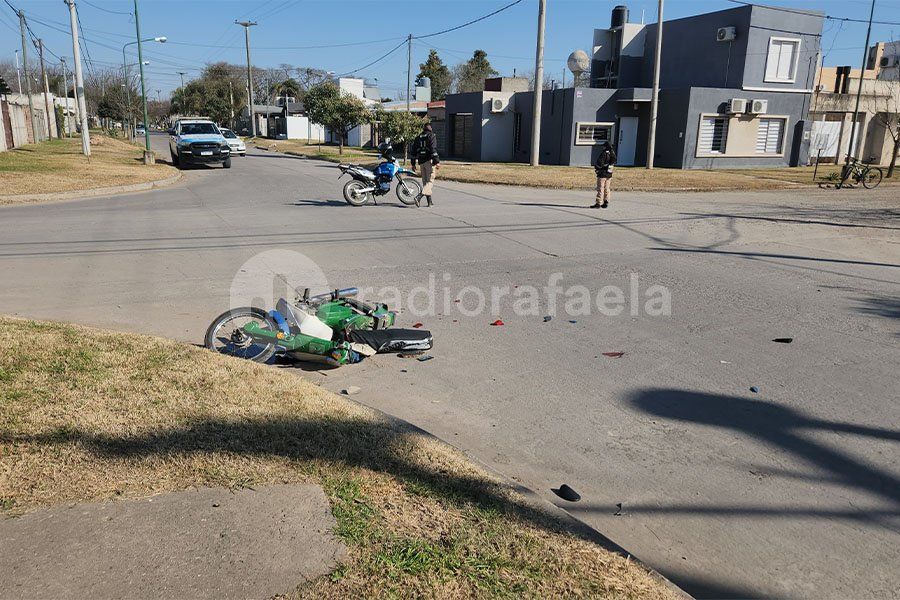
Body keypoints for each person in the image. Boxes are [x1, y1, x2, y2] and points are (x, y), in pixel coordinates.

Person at [410, 123, 440, 207]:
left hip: (421, 162)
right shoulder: (432, 136)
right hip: (429, 161)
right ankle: (419, 197)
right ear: (430, 128)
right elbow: (433, 149)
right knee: (430, 181)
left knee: (425, 182)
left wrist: (413, 164)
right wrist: (437, 161)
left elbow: (413, 152)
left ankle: (429, 202)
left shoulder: (418, 137)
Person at [593, 141, 616, 209]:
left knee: (600, 188)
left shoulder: (604, 154)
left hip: (602, 173)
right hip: (609, 173)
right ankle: (606, 201)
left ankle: (598, 203)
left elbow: (600, 163)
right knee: (607, 188)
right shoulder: (612, 153)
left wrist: (597, 169)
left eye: (603, 146)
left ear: (605, 147)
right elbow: (614, 161)